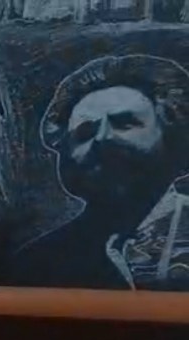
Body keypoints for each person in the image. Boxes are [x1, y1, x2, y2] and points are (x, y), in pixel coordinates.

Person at [10, 54, 189, 289]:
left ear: (174, 138)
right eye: (85, 132)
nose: (102, 138)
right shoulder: (37, 261)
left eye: (125, 123)